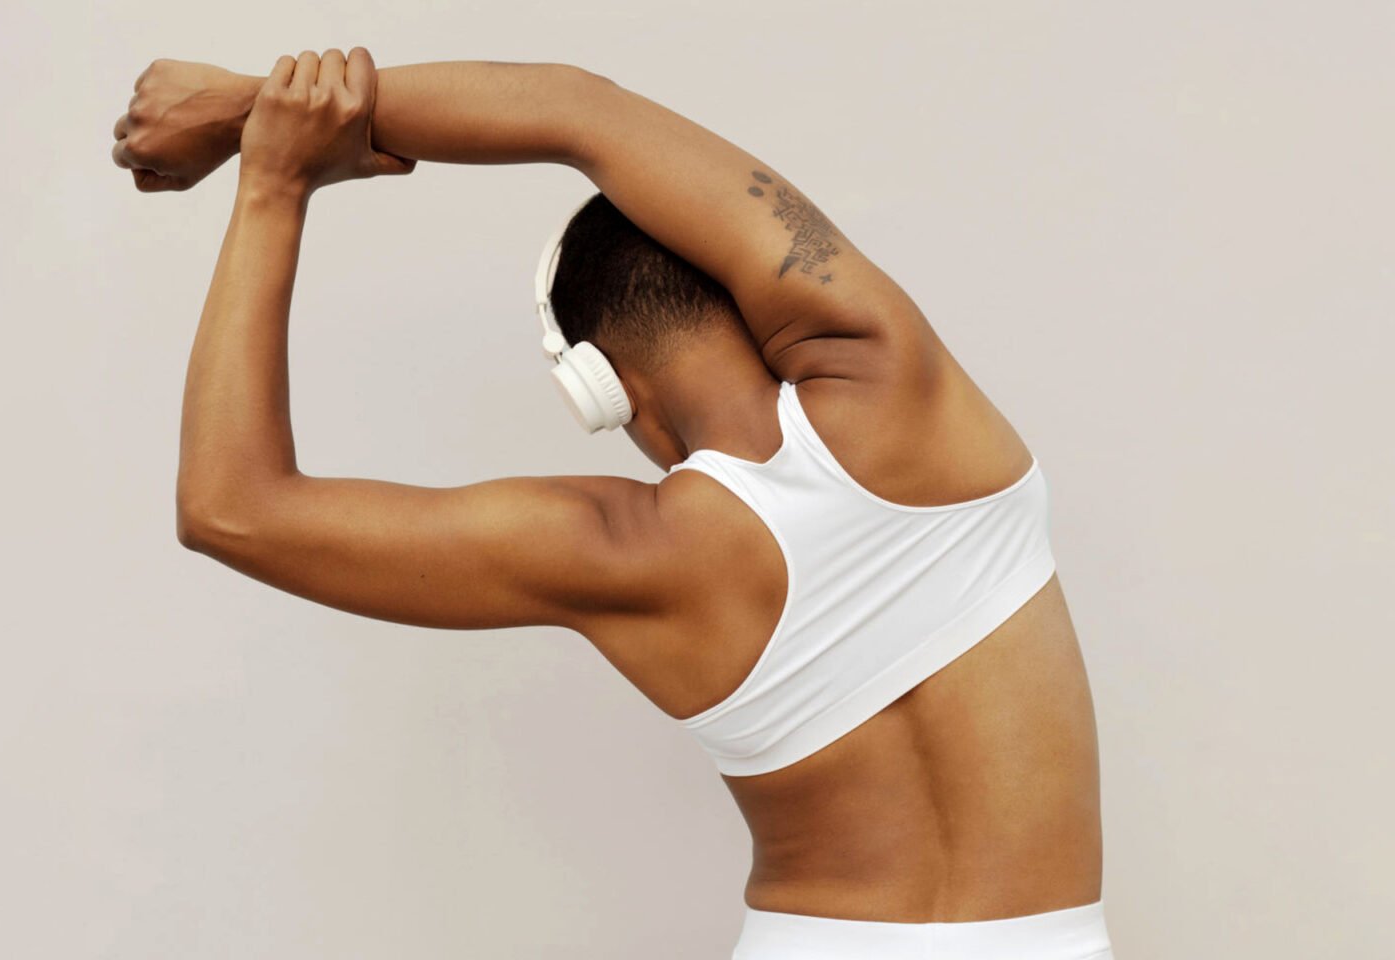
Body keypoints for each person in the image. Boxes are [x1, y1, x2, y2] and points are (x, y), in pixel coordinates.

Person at [111, 49, 1113, 960]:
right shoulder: (897, 388)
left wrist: (274, 179)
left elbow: (229, 508)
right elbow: (574, 108)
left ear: (600, 385)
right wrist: (243, 106)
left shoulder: (624, 549)